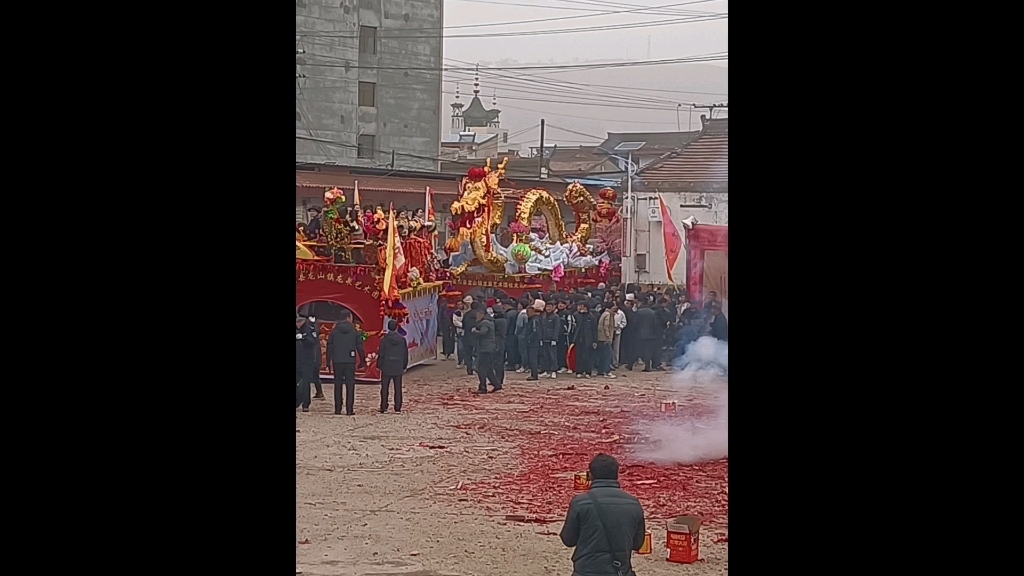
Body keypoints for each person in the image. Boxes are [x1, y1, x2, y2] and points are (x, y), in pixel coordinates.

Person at [559, 454, 646, 576]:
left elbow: (568, 540)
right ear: (616, 475)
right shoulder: (634, 503)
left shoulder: (580, 502)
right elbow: (638, 544)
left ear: (590, 475)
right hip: (620, 571)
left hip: (586, 571)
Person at [326, 310, 365, 415]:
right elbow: (360, 347)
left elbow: (329, 346)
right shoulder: (354, 331)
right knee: (350, 384)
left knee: (337, 384)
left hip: (337, 360)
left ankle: (337, 408)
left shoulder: (334, 331)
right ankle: (349, 409)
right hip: (350, 360)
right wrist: (362, 361)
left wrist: (327, 362)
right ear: (348, 318)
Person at [377, 320, 408, 413]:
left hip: (387, 364)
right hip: (398, 364)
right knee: (398, 387)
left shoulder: (384, 339)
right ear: (397, 327)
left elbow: (381, 353)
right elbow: (405, 354)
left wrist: (379, 364)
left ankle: (384, 406)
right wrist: (404, 365)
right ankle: (398, 407)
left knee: (384, 387)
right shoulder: (402, 340)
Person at [471, 308, 498, 393]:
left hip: (485, 348)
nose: (476, 317)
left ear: (482, 314)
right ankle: (496, 384)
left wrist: (475, 331)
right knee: (488, 368)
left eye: (477, 315)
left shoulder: (484, 323)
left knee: (481, 368)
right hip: (489, 347)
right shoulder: (490, 321)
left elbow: (483, 332)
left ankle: (482, 387)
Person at [295, 313, 318, 412]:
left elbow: (313, 341)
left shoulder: (309, 329)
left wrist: (304, 337)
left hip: (307, 360)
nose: (298, 324)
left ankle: (306, 403)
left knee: (305, 383)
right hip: (297, 360)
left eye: (299, 322)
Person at [573, 300, 598, 379]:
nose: (580, 307)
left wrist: (595, 341)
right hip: (579, 338)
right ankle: (579, 371)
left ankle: (588, 372)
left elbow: (594, 330)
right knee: (579, 356)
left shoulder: (592, 317)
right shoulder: (577, 315)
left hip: (588, 340)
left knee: (588, 356)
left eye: (581, 306)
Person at [538, 301, 563, 379]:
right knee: (545, 356)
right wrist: (540, 338)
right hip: (544, 338)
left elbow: (557, 328)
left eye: (550, 307)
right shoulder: (543, 316)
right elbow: (541, 328)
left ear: (553, 307)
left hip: (551, 339)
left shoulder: (556, 317)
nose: (548, 308)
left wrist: (554, 339)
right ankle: (545, 371)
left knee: (553, 356)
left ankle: (553, 371)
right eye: (547, 307)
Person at [633, 302, 657, 372]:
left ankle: (630, 365)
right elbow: (655, 324)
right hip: (650, 335)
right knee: (648, 351)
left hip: (639, 334)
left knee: (636, 350)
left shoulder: (639, 312)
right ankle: (648, 366)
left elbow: (635, 323)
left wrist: (634, 332)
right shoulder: (652, 312)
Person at [524, 300, 544, 380]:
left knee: (533, 359)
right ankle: (533, 373)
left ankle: (534, 375)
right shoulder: (534, 319)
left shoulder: (534, 320)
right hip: (534, 342)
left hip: (534, 343)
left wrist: (529, 339)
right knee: (532, 359)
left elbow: (535, 332)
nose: (527, 313)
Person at [597, 302, 617, 378]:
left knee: (603, 355)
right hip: (605, 338)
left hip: (601, 338)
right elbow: (606, 326)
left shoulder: (605, 314)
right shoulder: (608, 315)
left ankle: (601, 370)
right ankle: (607, 371)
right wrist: (608, 337)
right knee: (607, 355)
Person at [490, 303, 508, 389]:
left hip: (497, 342)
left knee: (497, 362)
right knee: (499, 362)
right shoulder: (504, 320)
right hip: (502, 341)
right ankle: (499, 379)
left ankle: (498, 379)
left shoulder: (497, 321)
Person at [557, 299, 575, 374]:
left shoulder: (568, 313)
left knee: (566, 351)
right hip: (558, 335)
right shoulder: (557, 313)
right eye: (559, 303)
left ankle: (567, 366)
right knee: (560, 351)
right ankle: (561, 365)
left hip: (566, 335)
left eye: (562, 304)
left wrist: (568, 332)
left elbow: (571, 323)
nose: (560, 305)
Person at [464, 301, 482, 375]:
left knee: (468, 353)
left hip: (467, 335)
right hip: (477, 335)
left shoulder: (466, 314)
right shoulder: (480, 315)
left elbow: (463, 325)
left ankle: (469, 369)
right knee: (479, 352)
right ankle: (476, 365)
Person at [514, 298, 530, 373]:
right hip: (528, 335)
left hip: (522, 335)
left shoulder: (521, 314)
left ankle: (524, 366)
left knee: (523, 351)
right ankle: (527, 366)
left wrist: (516, 333)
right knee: (527, 351)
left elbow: (519, 325)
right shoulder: (528, 313)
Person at [504, 299, 520, 370]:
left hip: (509, 334)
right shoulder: (515, 312)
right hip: (515, 333)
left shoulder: (509, 314)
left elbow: (507, 325)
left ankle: (511, 364)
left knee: (510, 350)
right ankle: (514, 363)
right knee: (514, 349)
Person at [612, 303, 627, 370]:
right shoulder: (609, 313)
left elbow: (624, 322)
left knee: (616, 349)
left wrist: (619, 326)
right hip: (609, 331)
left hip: (617, 332)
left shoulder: (621, 313)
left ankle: (615, 363)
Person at [453, 300, 466, 367]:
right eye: (458, 304)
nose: (460, 305)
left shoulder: (467, 311)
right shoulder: (456, 313)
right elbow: (455, 322)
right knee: (460, 347)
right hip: (460, 332)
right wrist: (462, 325)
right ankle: (460, 360)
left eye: (461, 304)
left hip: (467, 332)